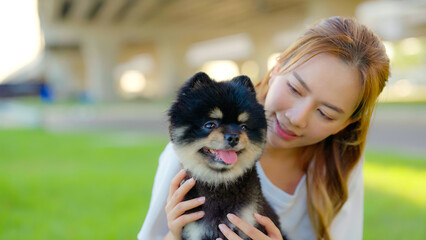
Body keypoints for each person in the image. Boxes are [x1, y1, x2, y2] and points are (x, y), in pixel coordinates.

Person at [137, 16, 390, 240]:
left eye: (324, 113)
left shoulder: (341, 162)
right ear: (277, 68)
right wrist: (174, 234)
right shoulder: (195, 154)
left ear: (345, 124)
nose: (297, 118)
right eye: (295, 89)